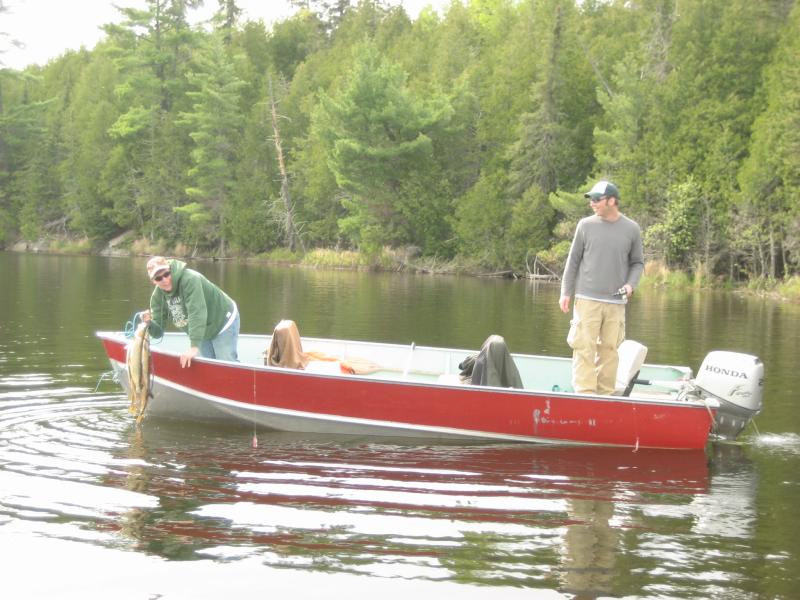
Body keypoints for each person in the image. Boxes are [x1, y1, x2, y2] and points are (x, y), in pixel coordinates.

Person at [558, 181, 644, 395]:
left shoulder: (631, 229)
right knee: (583, 349)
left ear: (612, 201)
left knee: (609, 350)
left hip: (616, 303)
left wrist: (630, 285)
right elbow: (573, 261)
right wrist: (565, 292)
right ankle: (585, 394)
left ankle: (605, 396)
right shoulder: (585, 226)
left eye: (597, 199)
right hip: (587, 299)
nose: (592, 203)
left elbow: (637, 263)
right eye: (591, 199)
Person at [142, 256, 239, 368]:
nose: (164, 280)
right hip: (203, 331)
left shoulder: (190, 279)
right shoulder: (157, 298)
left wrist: (193, 348)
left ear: (170, 270)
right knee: (208, 367)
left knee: (227, 364)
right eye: (158, 278)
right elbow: (158, 333)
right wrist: (149, 323)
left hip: (223, 320)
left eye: (166, 274)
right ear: (153, 281)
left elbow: (196, 313)